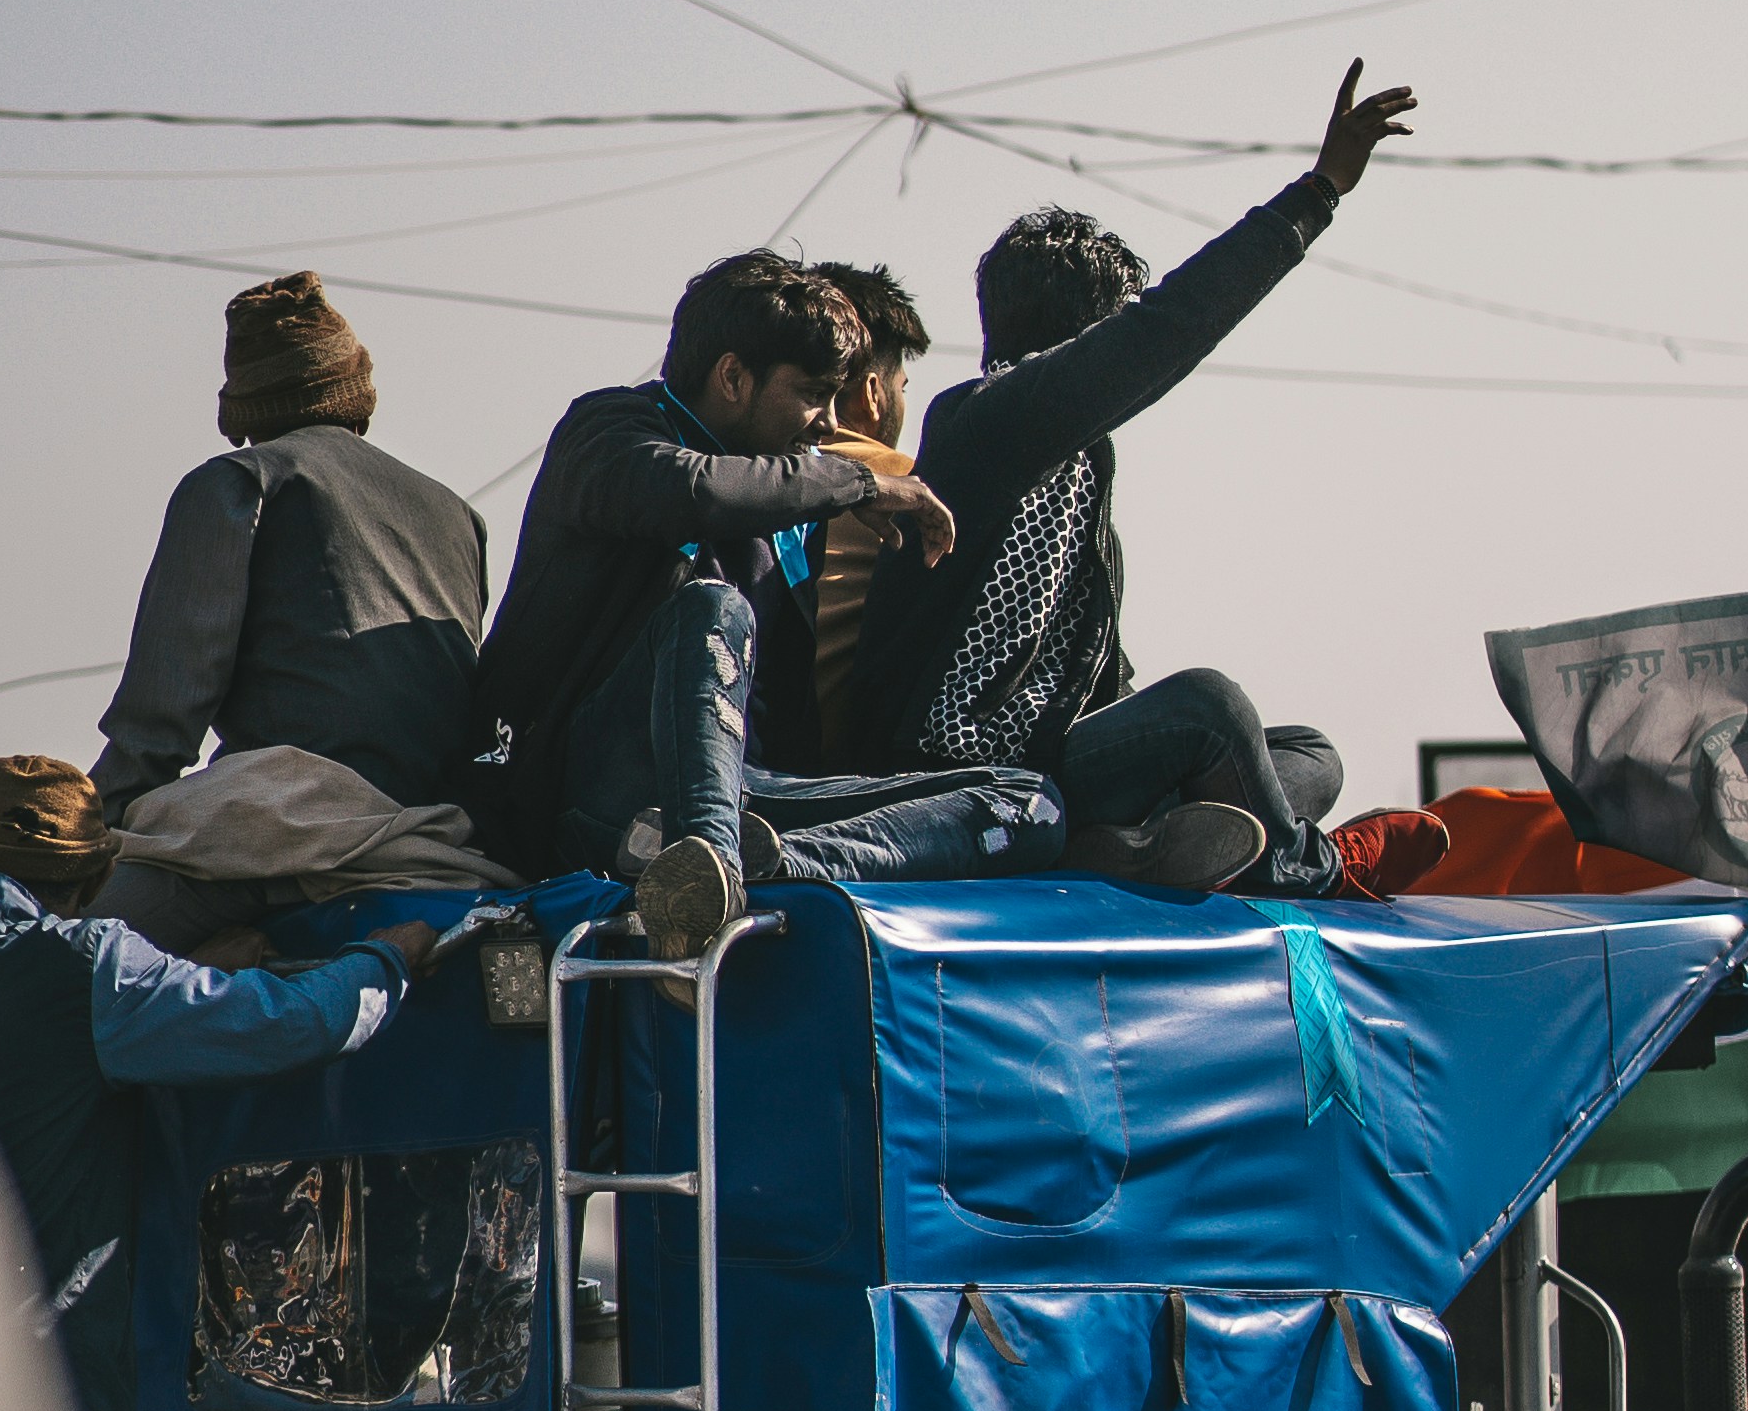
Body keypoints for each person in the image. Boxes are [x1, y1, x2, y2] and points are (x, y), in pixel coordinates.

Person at [833, 55, 1419, 891]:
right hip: (976, 776)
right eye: (1114, 333)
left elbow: (1092, 666)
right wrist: (1319, 191)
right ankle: (1308, 869)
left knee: (1307, 752)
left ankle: (1150, 842)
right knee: (1212, 707)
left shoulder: (1078, 457)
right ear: (1087, 343)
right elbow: (1169, 328)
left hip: (1070, 758)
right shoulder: (988, 424)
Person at [470, 251, 1108, 957]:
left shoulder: (790, 522)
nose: (828, 424)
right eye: (811, 393)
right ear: (734, 378)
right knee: (713, 609)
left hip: (742, 792)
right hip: (592, 794)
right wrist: (860, 485)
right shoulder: (608, 433)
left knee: (1027, 803)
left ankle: (758, 865)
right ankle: (710, 863)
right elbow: (696, 492)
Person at [0, 753, 439, 1411]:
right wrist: (384, 959)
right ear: (95, 877)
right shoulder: (90, 967)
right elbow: (293, 1024)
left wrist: (194, 971)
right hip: (32, 1396)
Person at [96, 271, 489, 824]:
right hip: (448, 821)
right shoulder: (458, 513)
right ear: (359, 398)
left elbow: (163, 713)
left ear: (243, 414)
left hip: (300, 815)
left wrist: (89, 829)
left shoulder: (239, 482)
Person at [805, 257, 933, 738]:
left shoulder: (748, 474)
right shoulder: (906, 485)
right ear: (873, 394)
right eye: (902, 387)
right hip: (834, 764)